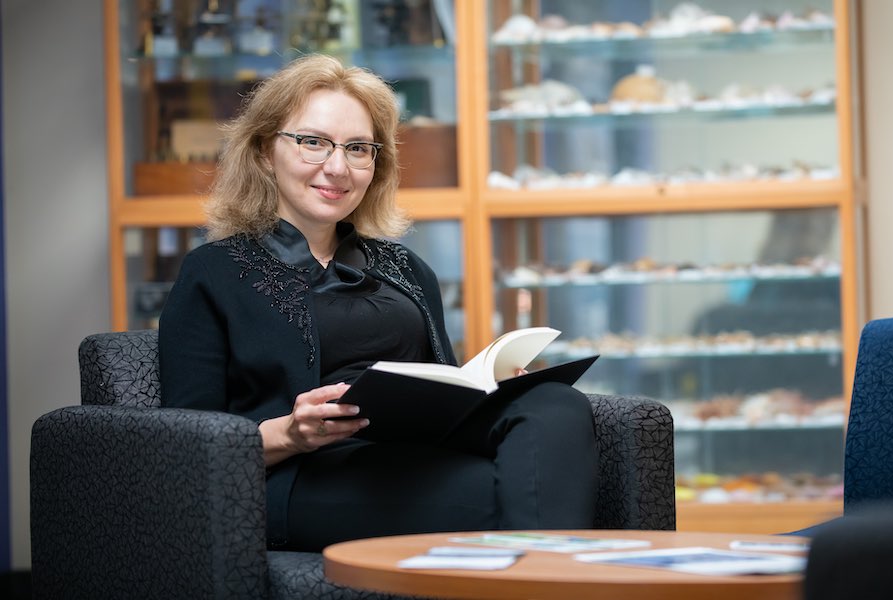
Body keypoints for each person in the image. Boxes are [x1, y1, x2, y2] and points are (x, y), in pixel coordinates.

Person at [158, 54, 599, 552]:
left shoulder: (404, 266)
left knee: (554, 403)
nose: (337, 167)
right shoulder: (214, 271)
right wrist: (290, 433)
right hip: (302, 476)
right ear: (264, 151)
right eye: (313, 142)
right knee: (514, 494)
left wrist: (488, 390)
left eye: (358, 148)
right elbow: (185, 445)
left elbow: (441, 386)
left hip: (409, 455)